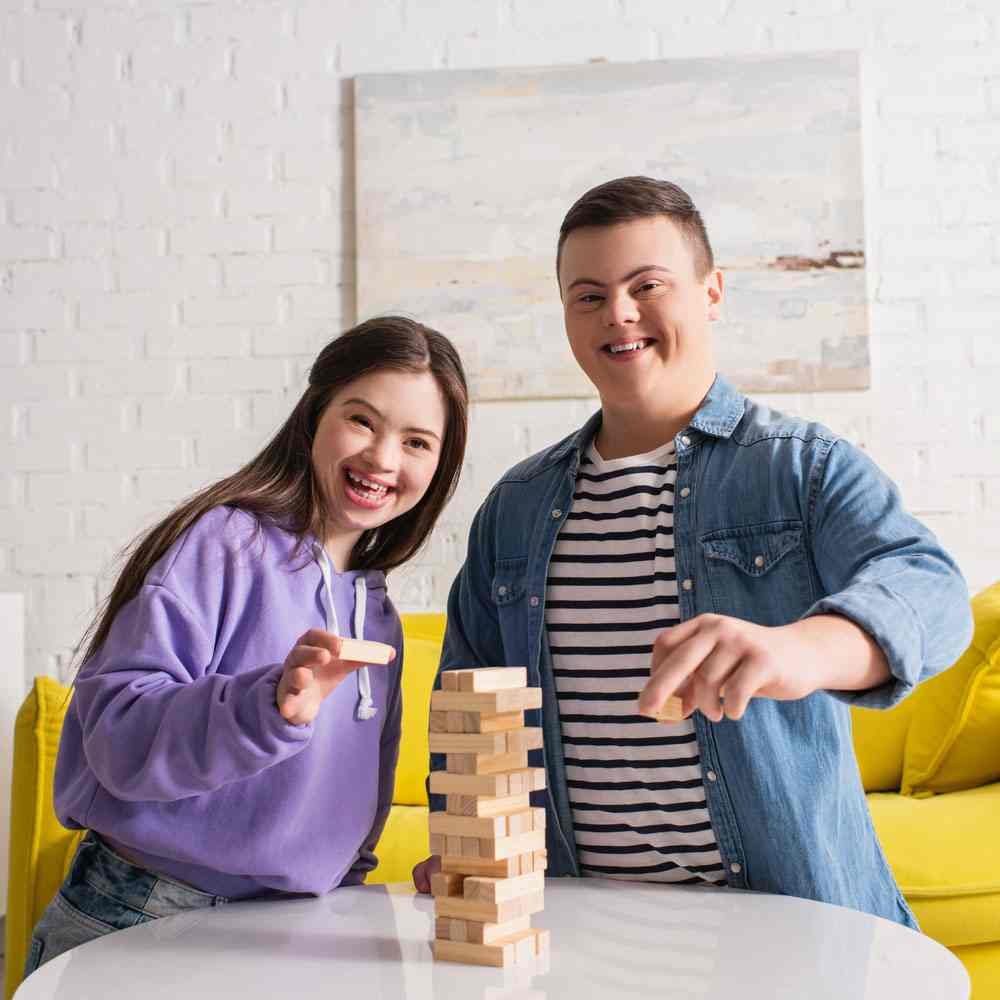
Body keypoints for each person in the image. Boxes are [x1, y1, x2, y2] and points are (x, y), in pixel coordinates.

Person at [413, 176, 973, 927]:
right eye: (588, 296)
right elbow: (472, 702)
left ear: (712, 293)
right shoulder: (514, 508)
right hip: (582, 931)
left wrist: (799, 650)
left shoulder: (799, 468)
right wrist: (468, 842)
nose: (619, 313)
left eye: (648, 284)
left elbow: (931, 591)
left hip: (786, 927)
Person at [26, 316, 468, 977]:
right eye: (362, 420)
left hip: (292, 933)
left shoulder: (377, 618)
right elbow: (117, 737)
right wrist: (268, 706)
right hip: (146, 914)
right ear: (315, 413)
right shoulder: (223, 544)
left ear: (438, 467)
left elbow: (352, 823)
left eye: (416, 442)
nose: (382, 458)